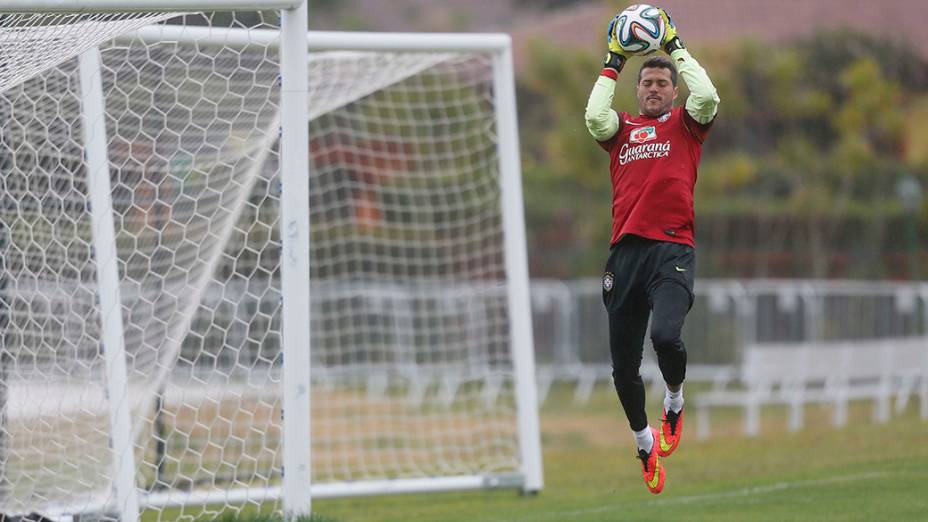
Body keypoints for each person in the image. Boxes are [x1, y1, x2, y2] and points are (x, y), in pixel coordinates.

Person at [584, 7, 719, 494]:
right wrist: (613, 61)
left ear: (673, 90)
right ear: (638, 90)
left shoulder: (687, 125)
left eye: (663, 82)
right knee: (622, 366)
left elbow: (708, 95)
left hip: (671, 251)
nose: (655, 88)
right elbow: (593, 116)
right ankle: (643, 442)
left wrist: (676, 44)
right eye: (648, 83)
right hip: (625, 256)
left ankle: (676, 401)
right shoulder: (621, 131)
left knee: (665, 336)